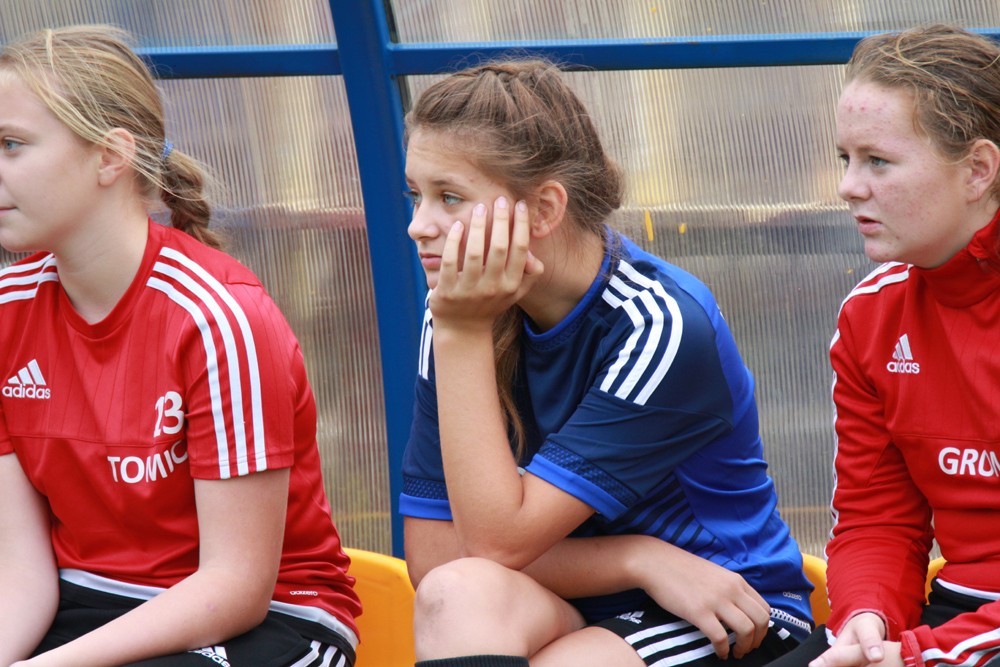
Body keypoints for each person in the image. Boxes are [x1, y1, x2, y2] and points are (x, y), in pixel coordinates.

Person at [398, 58, 813, 667]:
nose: (418, 226)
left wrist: (462, 332)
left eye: (449, 198)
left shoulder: (657, 323)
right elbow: (435, 559)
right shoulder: (461, 313)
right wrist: (638, 558)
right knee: (455, 596)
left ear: (544, 210)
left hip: (724, 609)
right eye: (416, 196)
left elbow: (494, 541)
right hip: (585, 592)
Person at [0, 25, 361, 666]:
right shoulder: (7, 313)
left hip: (272, 619)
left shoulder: (221, 319)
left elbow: (236, 588)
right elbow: (21, 574)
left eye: (11, 145)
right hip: (84, 601)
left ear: (110, 157)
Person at [766, 24, 1000, 667]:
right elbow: (877, 518)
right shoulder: (872, 315)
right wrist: (866, 621)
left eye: (878, 161)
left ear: (978, 170)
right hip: (957, 614)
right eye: (845, 158)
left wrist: (920, 655)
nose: (848, 186)